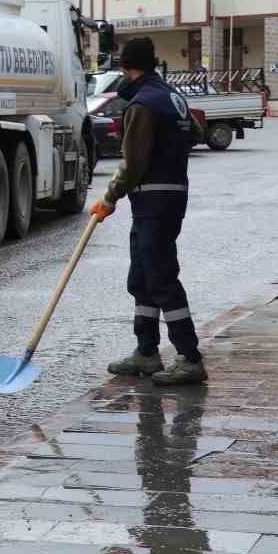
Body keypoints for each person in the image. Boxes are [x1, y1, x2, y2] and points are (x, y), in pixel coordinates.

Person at [91, 37, 205, 385]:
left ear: (127, 67)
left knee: (160, 277)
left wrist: (109, 198)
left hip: (154, 198)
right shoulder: (172, 96)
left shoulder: (142, 104)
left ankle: (189, 357)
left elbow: (134, 161)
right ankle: (146, 352)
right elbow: (195, 133)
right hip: (165, 196)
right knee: (141, 277)